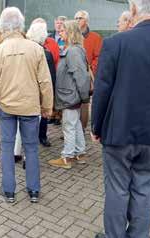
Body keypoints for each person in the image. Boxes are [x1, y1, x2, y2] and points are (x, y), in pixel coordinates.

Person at [91, 1, 150, 237]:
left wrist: (96, 126)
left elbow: (102, 90)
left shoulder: (116, 43)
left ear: (133, 11)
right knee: (145, 190)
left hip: (118, 131)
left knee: (117, 190)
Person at [0, 7, 53, 203]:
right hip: (30, 107)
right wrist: (47, 107)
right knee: (31, 148)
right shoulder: (36, 49)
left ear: (2, 27)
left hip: (6, 106)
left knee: (7, 147)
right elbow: (45, 83)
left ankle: (9, 191)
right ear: (21, 25)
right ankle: (33, 190)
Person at [47, 20, 90, 169]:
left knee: (69, 125)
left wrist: (84, 96)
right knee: (75, 123)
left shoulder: (73, 51)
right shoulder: (74, 49)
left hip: (70, 95)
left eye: (63, 30)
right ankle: (79, 152)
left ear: (71, 32)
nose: (60, 32)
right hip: (72, 94)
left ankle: (67, 157)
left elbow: (80, 76)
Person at [27, 20, 57, 147]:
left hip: (27, 90)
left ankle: (33, 137)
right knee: (42, 113)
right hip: (39, 90)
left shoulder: (25, 50)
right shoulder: (45, 53)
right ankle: (41, 136)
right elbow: (50, 78)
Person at [74, 10, 102, 131]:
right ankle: (71, 129)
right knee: (72, 102)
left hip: (86, 74)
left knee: (84, 103)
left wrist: (90, 68)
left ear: (86, 20)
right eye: (75, 18)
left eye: (79, 18)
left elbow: (98, 56)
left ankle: (81, 129)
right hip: (72, 73)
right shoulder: (72, 35)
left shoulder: (95, 37)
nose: (77, 20)